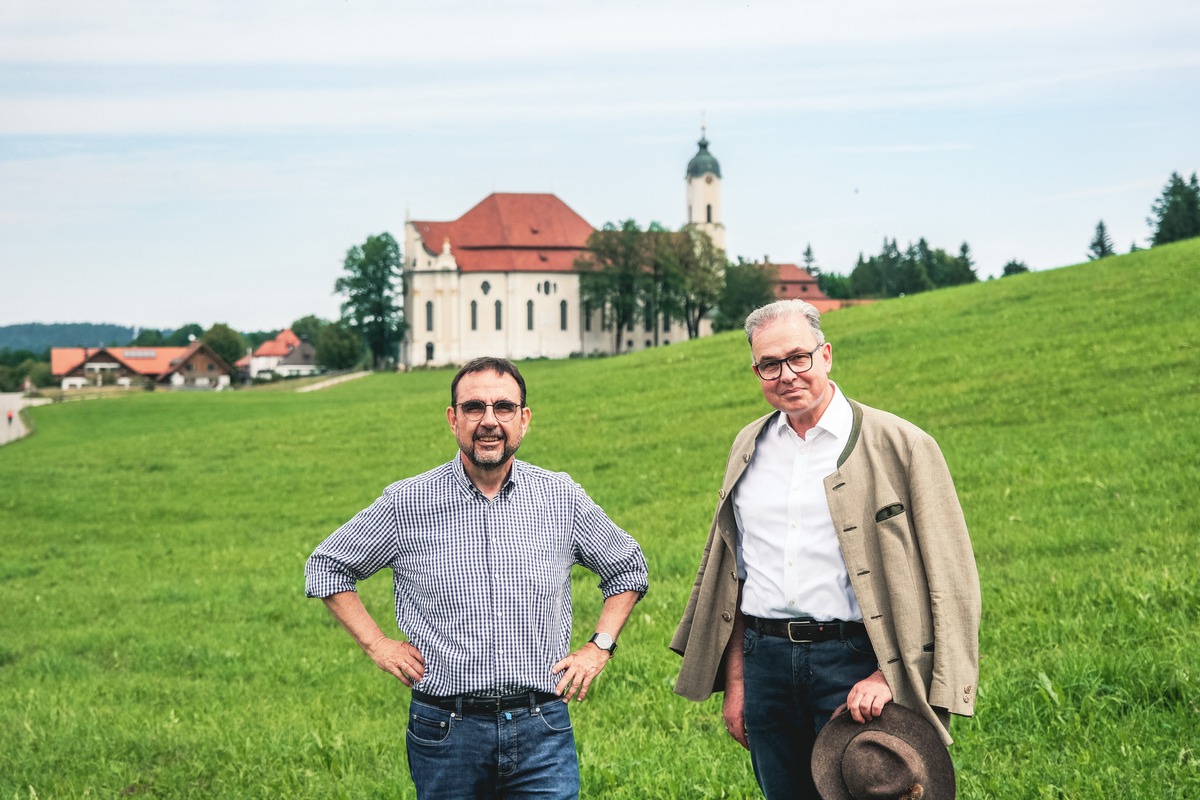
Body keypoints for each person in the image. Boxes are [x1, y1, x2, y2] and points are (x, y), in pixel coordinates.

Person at [671, 299, 980, 799]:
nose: (787, 374)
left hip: (855, 661)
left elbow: (951, 578)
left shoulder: (902, 445)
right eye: (769, 364)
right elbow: (736, 572)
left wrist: (889, 676)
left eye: (799, 357)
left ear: (826, 355)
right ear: (756, 371)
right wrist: (739, 682)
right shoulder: (748, 446)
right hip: (764, 662)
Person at [305, 356, 648, 800]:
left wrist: (598, 647)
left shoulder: (561, 496)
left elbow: (627, 567)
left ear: (523, 419)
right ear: (453, 419)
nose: (489, 421)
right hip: (447, 730)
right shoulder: (408, 502)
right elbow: (327, 566)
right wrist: (377, 644)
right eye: (474, 408)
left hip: (541, 725)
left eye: (503, 407)